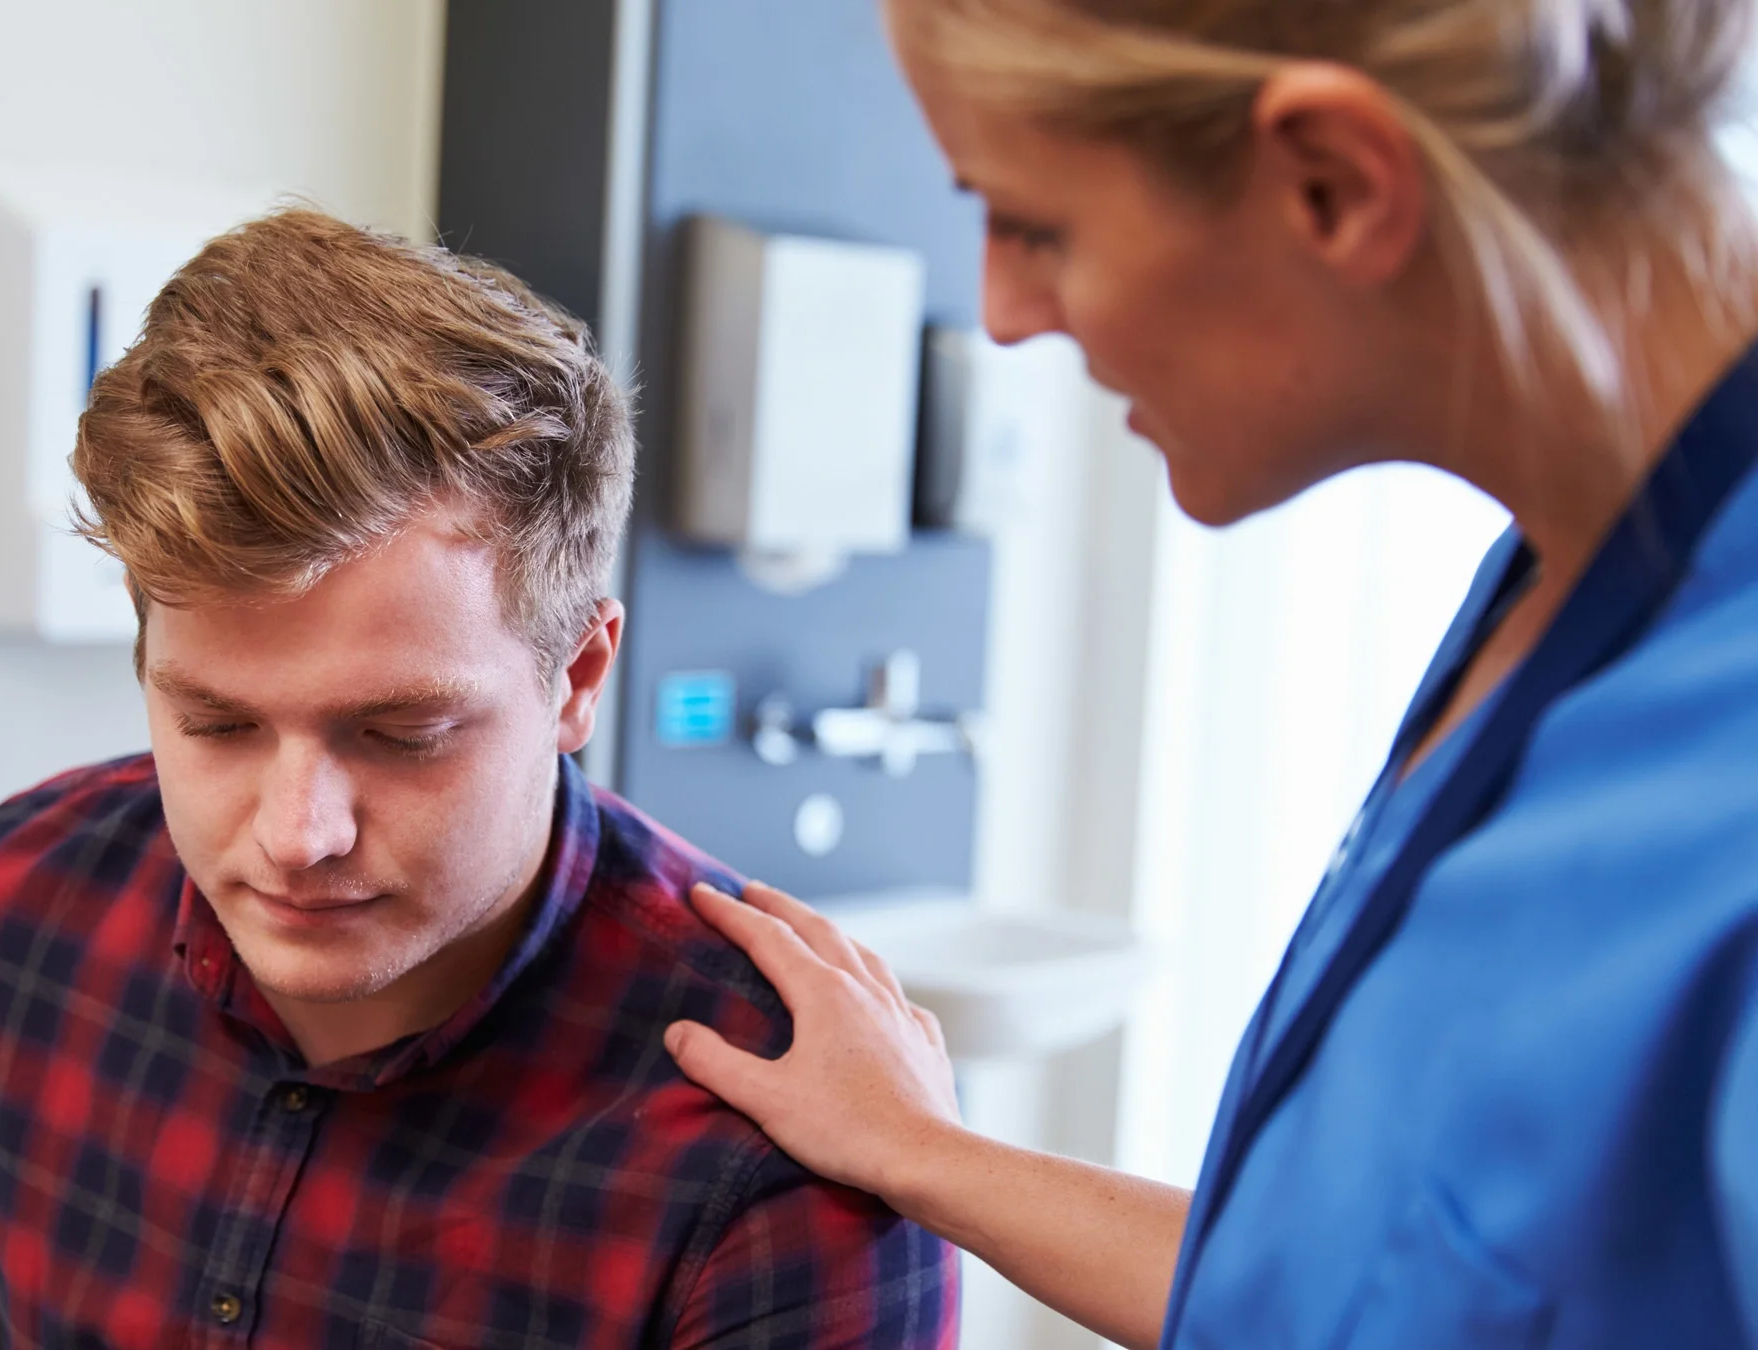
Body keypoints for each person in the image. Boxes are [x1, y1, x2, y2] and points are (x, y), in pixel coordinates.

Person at [663, 0, 1758, 1346]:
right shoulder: (1560, 584)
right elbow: (1357, 1290)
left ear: (1333, 183)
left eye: (1035, 227)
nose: (1002, 315)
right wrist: (922, 1152)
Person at [0, 209, 958, 1348]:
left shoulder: (786, 1144)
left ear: (577, 676)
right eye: (217, 724)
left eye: (401, 733)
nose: (296, 835)